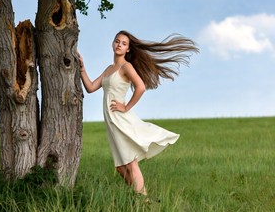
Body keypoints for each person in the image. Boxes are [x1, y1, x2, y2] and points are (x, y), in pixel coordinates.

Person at [78, 30, 199, 197]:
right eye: (117, 41)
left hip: (121, 118)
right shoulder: (109, 69)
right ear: (113, 44)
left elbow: (141, 87)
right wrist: (82, 68)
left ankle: (143, 202)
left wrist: (126, 107)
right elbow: (91, 88)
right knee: (121, 167)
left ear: (128, 49)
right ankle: (139, 196)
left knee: (131, 162)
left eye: (123, 43)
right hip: (111, 121)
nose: (119, 45)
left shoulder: (126, 66)